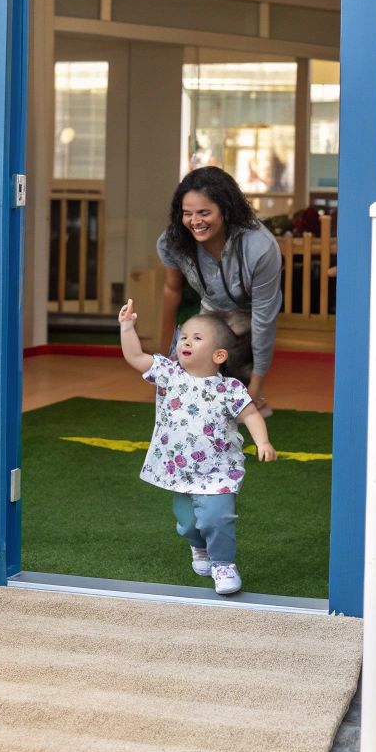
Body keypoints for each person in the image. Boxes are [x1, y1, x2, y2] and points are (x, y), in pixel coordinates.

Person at [117, 299, 276, 595]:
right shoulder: (169, 373)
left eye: (197, 338)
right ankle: (197, 545)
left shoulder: (229, 389)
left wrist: (262, 441)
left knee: (218, 518)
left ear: (218, 355)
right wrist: (127, 327)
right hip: (181, 470)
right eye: (184, 336)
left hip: (219, 470)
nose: (186, 341)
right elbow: (136, 356)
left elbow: (251, 413)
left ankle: (223, 564)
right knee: (189, 523)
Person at [154, 166, 284, 417]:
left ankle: (251, 397)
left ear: (225, 210)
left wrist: (257, 385)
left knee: (230, 353)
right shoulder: (173, 240)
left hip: (250, 311)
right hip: (212, 306)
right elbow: (172, 290)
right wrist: (166, 355)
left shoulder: (260, 247)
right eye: (188, 213)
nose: (195, 221)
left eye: (204, 212)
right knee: (194, 350)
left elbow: (263, 320)